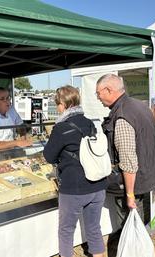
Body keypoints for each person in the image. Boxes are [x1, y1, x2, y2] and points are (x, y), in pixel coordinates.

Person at [43, 85, 106, 257]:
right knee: (94, 228)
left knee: (66, 231)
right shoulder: (89, 122)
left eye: (57, 104)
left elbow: (48, 156)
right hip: (98, 185)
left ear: (62, 104)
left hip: (74, 188)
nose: (57, 107)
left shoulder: (61, 128)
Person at [95, 74, 155, 227]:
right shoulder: (140, 106)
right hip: (148, 176)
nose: (98, 97)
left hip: (133, 182)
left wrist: (129, 194)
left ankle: (132, 251)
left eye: (98, 93)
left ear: (108, 90)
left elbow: (127, 159)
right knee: (141, 223)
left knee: (130, 227)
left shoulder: (122, 115)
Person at [0, 87, 32, 152]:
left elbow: (20, 125)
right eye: (3, 99)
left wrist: (23, 138)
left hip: (10, 152)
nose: (7, 101)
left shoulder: (11, 110)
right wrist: (17, 142)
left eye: (8, 98)